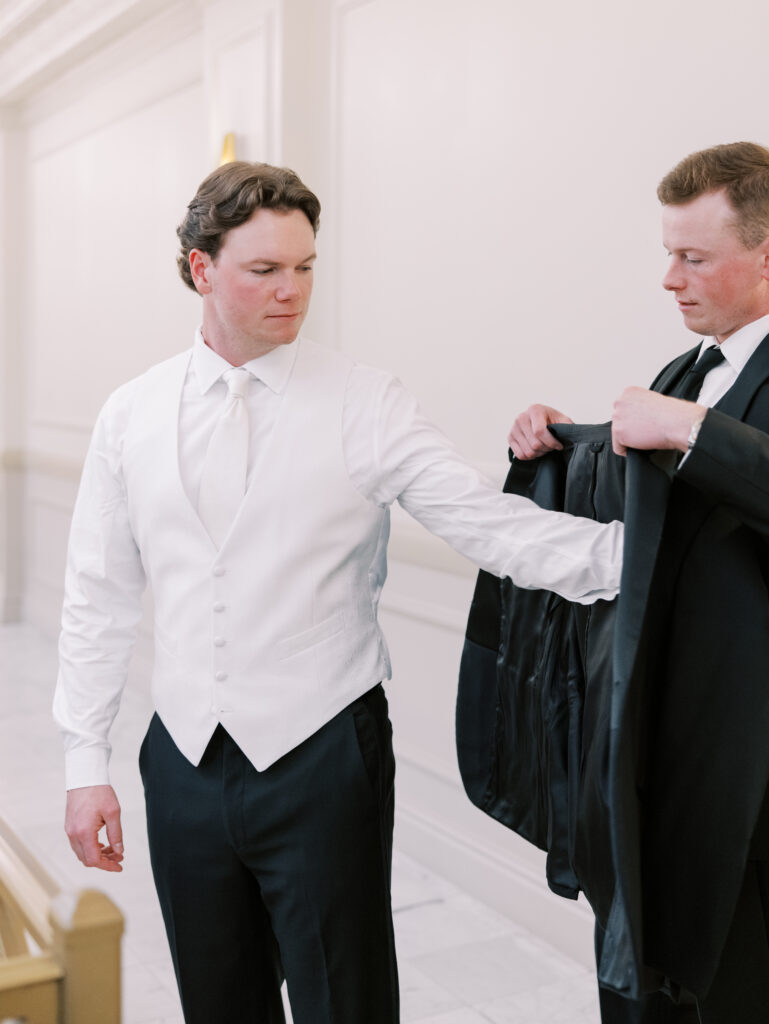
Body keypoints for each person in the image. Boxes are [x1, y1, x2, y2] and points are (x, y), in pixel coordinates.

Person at [54, 160, 623, 1024]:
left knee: (344, 1002)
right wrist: (82, 764)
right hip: (181, 763)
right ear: (202, 270)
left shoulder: (366, 401)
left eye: (306, 267)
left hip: (325, 755)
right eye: (266, 270)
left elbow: (485, 524)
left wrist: (636, 561)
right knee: (217, 1000)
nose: (294, 291)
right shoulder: (130, 414)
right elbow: (95, 592)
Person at [508, 141, 769, 1024]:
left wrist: (694, 432)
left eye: (691, 257)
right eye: (669, 253)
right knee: (649, 966)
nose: (669, 278)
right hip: (652, 741)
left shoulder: (687, 400)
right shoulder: (682, 372)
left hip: (753, 768)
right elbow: (648, 518)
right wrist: (560, 439)